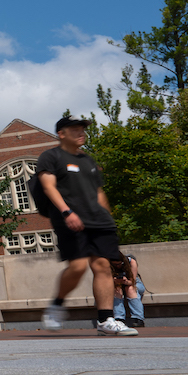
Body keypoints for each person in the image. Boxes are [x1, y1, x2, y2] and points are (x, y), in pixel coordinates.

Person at [38, 116, 138, 336]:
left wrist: (108, 220)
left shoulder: (88, 160)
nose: (81, 133)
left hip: (98, 221)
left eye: (83, 129)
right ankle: (57, 304)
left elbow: (99, 193)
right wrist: (67, 212)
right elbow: (48, 186)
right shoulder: (50, 157)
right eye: (75, 129)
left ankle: (105, 320)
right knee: (78, 266)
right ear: (61, 134)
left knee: (102, 266)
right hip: (71, 219)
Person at [112, 254, 145, 327]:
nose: (117, 266)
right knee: (117, 289)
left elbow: (132, 281)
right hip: (118, 286)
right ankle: (119, 318)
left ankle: (138, 318)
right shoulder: (108, 265)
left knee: (130, 288)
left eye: (119, 264)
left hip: (134, 284)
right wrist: (114, 281)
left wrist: (125, 281)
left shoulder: (131, 262)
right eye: (115, 265)